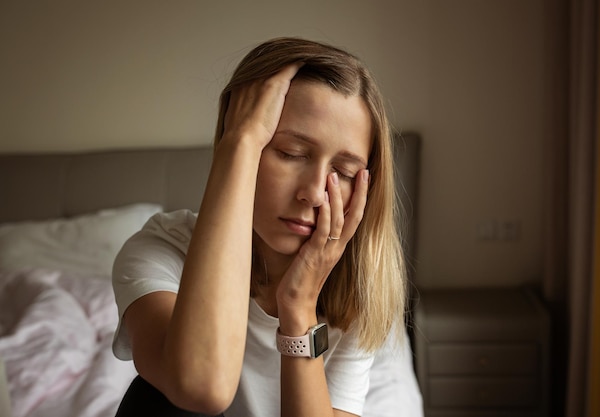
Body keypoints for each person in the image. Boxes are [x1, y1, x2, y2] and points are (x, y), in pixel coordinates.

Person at [112, 37, 408, 417]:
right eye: (291, 154)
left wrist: (298, 307)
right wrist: (241, 140)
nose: (315, 193)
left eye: (343, 172)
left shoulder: (358, 293)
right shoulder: (163, 249)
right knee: (154, 397)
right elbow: (202, 387)